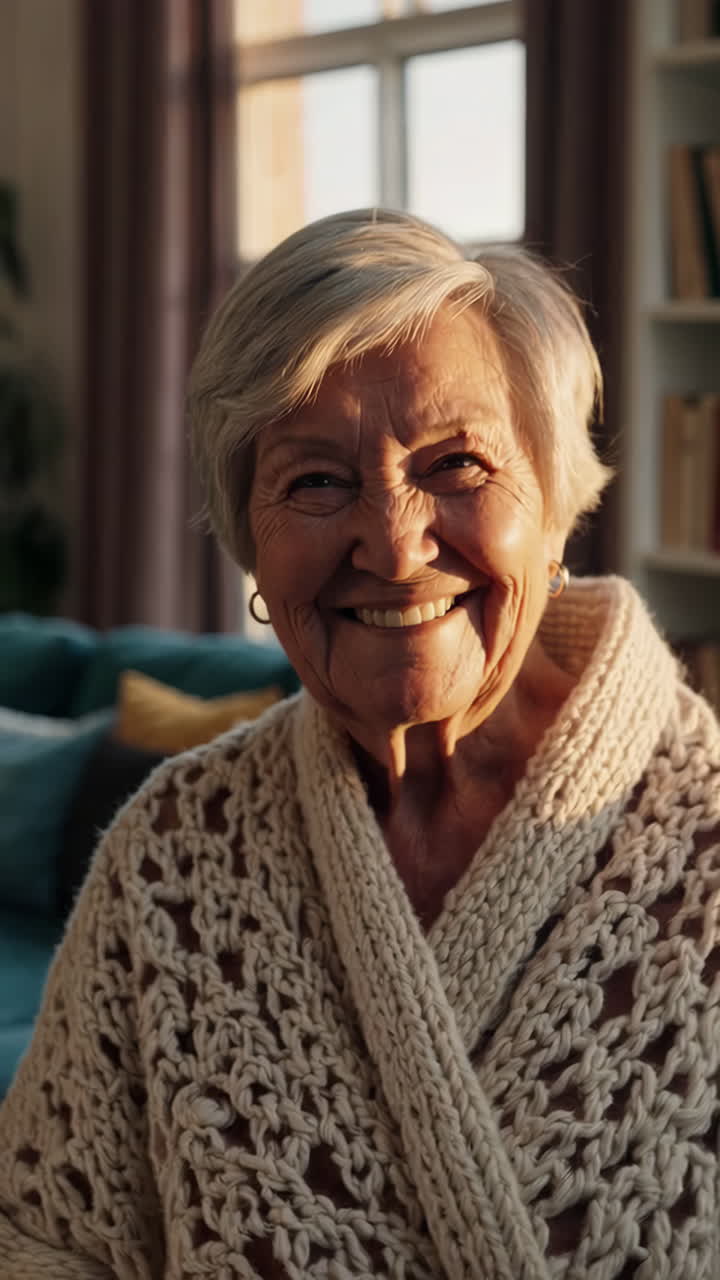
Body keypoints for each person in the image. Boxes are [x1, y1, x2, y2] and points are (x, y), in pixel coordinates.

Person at [0, 208, 718, 1280]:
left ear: (556, 505)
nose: (392, 540)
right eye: (316, 479)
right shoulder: (169, 860)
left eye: (456, 462)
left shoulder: (705, 844)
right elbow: (44, 1235)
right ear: (252, 536)